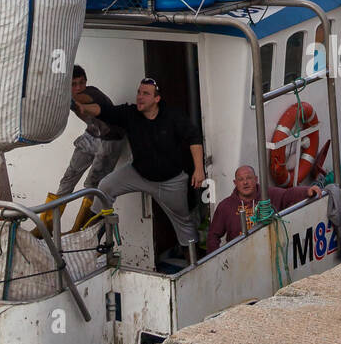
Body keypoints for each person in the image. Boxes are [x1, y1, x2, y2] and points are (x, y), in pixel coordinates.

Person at [80, 77, 205, 254]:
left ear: (157, 99)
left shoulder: (173, 116)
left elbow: (194, 138)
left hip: (171, 181)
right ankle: (88, 238)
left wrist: (199, 170)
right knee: (104, 187)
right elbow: (104, 111)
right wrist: (84, 108)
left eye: (145, 94)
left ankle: (193, 262)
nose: (140, 96)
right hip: (138, 173)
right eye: (139, 92)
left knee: (184, 224)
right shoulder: (130, 113)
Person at [45, 66, 125, 233]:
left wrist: (63, 94)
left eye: (81, 83)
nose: (78, 87)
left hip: (110, 139)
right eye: (73, 84)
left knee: (92, 184)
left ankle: (81, 229)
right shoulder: (67, 97)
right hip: (92, 133)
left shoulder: (90, 93)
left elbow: (84, 97)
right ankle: (46, 225)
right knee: (68, 177)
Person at [206, 165, 322, 251]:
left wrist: (307, 191)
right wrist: (217, 263)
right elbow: (213, 236)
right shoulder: (225, 206)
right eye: (241, 180)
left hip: (268, 251)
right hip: (238, 258)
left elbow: (288, 195)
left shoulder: (269, 194)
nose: (245, 182)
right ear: (235, 183)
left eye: (249, 178)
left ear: (256, 179)